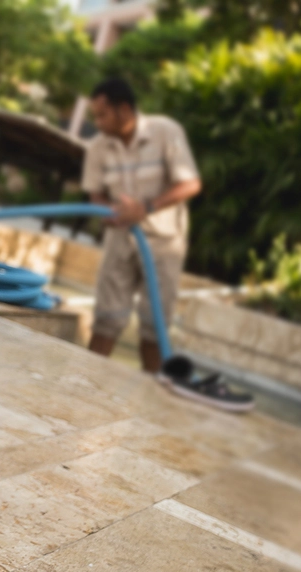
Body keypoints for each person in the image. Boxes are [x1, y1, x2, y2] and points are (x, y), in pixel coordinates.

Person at [82, 78, 202, 373]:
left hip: (163, 242)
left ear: (124, 109)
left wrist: (145, 208)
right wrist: (106, 210)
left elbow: (190, 183)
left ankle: (153, 392)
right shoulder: (97, 148)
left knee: (154, 325)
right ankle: (82, 384)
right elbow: (95, 193)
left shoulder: (165, 132)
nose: (97, 122)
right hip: (120, 237)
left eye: (102, 114)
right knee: (106, 319)